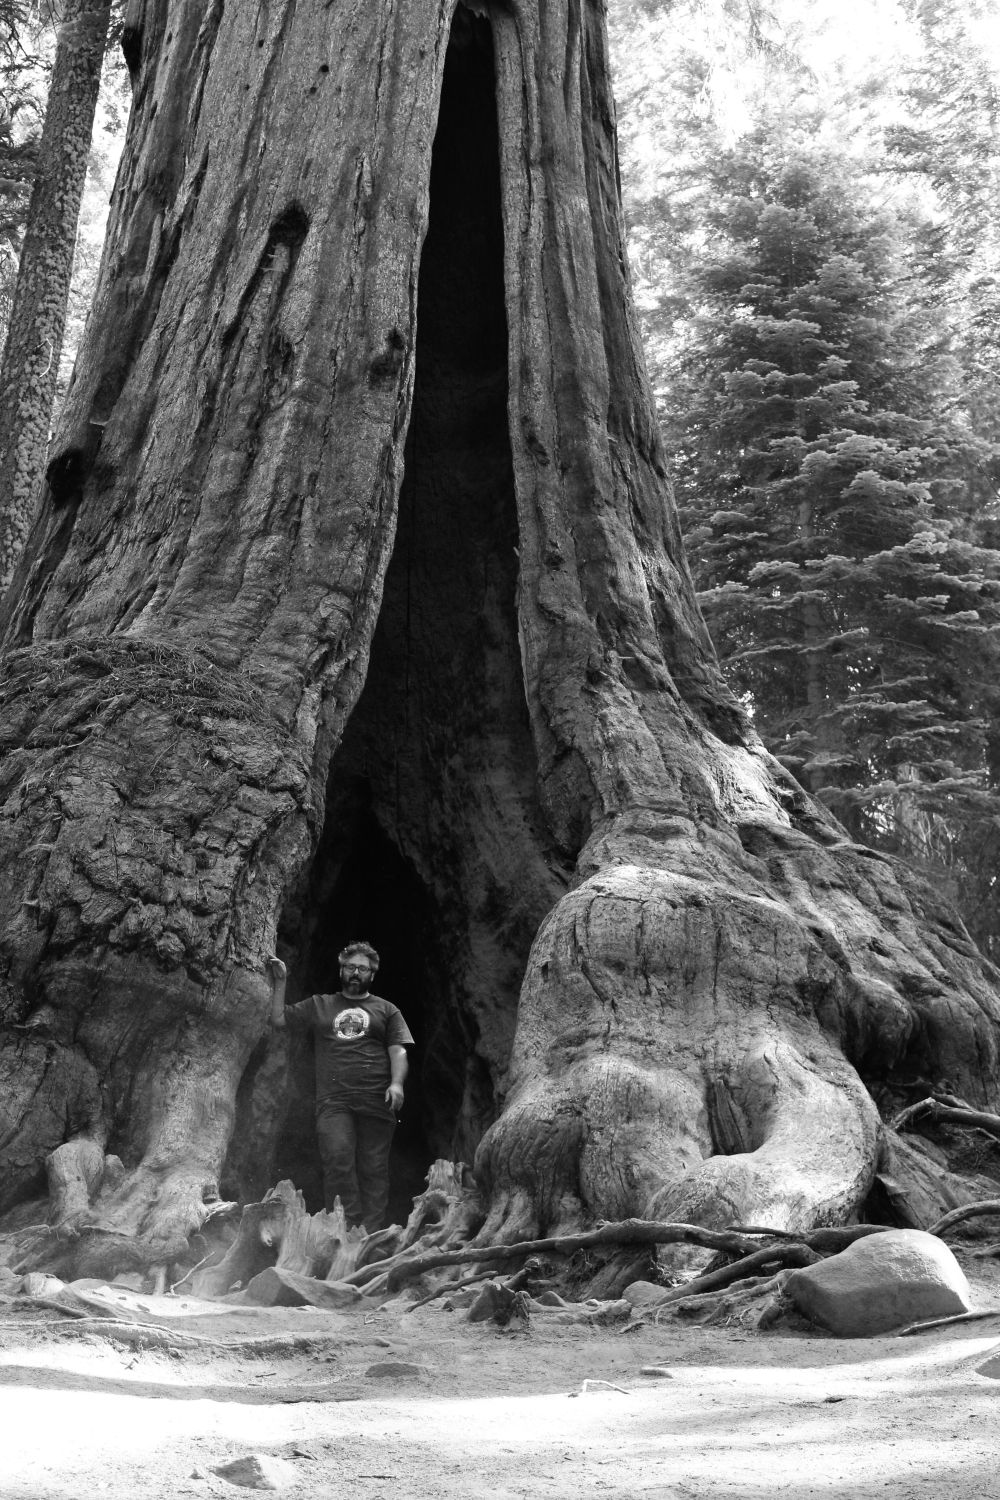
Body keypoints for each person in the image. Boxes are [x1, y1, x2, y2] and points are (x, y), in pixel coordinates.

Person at [267, 942, 413, 1231]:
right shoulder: (320, 1005)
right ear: (341, 970)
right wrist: (281, 980)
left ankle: (371, 1233)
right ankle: (345, 1228)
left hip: (377, 1098)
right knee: (337, 1159)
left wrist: (397, 1084)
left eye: (363, 969)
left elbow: (398, 1050)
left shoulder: (387, 1010)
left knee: (373, 1167)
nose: (356, 973)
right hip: (333, 1100)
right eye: (350, 967)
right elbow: (279, 1019)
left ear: (373, 974)